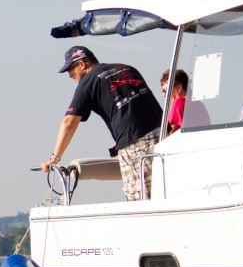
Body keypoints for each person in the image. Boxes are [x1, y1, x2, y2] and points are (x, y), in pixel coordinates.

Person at [41, 46, 163, 201]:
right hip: (163, 135)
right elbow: (137, 104)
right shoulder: (126, 68)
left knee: (140, 200)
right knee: (166, 189)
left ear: (82, 64)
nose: (70, 75)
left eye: (71, 69)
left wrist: (55, 157)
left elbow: (69, 122)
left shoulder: (87, 83)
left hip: (135, 146)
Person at [160, 69, 211, 134]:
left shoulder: (178, 103)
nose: (164, 95)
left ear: (179, 88)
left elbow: (173, 133)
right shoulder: (199, 104)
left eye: (165, 90)